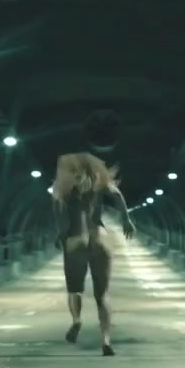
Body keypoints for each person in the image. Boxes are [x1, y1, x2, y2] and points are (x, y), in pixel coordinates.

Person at [51, 151, 135, 356]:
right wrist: (126, 220)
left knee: (74, 290)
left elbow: (60, 215)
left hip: (75, 239)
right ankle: (106, 340)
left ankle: (76, 320)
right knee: (102, 294)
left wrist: (60, 235)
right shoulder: (99, 183)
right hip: (99, 237)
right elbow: (117, 195)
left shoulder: (63, 187)